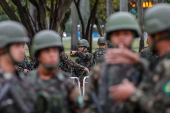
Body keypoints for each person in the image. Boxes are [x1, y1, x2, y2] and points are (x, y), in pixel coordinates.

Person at [109, 4, 170, 113]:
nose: (148, 40)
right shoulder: (164, 61)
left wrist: (133, 93)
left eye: (149, 35)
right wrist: (138, 61)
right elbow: (156, 72)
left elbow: (161, 109)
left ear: (158, 35)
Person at [82, 12, 142, 113]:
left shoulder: (143, 67)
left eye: (126, 33)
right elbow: (87, 103)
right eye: (117, 34)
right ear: (110, 37)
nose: (121, 38)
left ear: (133, 35)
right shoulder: (100, 69)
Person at [27, 30, 82, 113]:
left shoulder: (67, 83)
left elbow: (81, 109)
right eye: (46, 51)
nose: (52, 54)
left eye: (55, 50)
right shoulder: (26, 82)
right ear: (38, 55)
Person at [0, 20, 35, 113]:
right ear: (2, 46)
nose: (22, 51)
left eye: (22, 45)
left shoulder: (24, 81)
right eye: (16, 45)